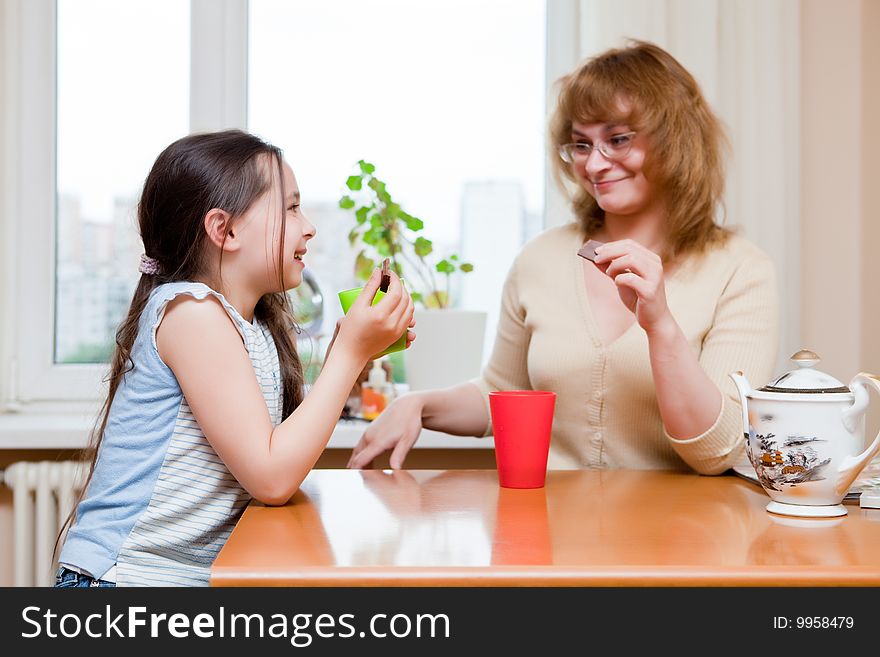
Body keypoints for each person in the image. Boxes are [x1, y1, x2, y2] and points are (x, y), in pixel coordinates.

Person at [348, 40, 779, 474]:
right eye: (581, 145)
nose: (594, 165)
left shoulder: (740, 271)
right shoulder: (539, 259)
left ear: (675, 141)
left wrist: (661, 327)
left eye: (618, 139)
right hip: (551, 533)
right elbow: (503, 390)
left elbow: (719, 449)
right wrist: (420, 405)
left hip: (682, 537)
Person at [55, 130, 415, 587]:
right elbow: (271, 477)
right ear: (224, 230)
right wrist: (348, 353)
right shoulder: (192, 313)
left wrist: (349, 356)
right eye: (290, 208)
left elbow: (273, 449)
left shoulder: (256, 328)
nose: (308, 226)